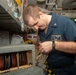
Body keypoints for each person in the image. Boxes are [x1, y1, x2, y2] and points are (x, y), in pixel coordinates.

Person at [23, 4, 76, 75]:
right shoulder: (41, 30)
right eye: (33, 26)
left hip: (68, 71)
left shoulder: (65, 23)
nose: (36, 28)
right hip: (52, 70)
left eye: (36, 23)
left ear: (41, 14)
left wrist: (54, 45)